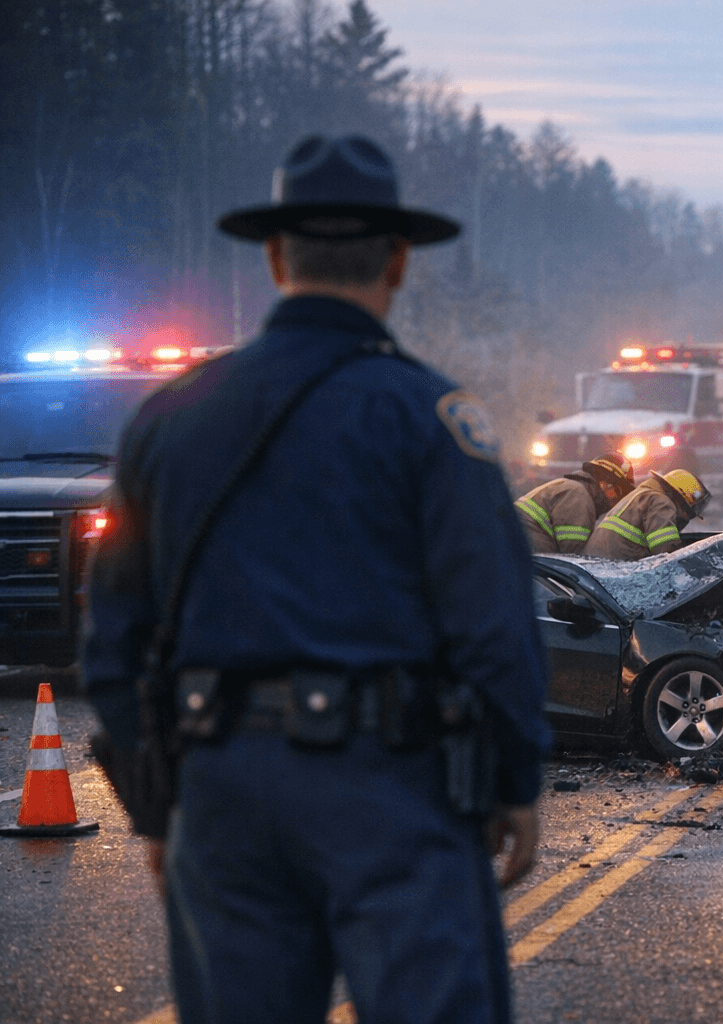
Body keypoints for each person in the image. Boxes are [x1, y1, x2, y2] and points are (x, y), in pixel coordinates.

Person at [81, 135, 552, 1023]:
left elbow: (111, 640)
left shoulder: (168, 418)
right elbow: (493, 622)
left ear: (274, 256)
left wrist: (158, 807)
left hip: (219, 789)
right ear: (398, 260)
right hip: (396, 789)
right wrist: (514, 778)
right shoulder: (429, 417)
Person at [515, 453, 635, 553]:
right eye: (619, 492)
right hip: (520, 547)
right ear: (605, 483)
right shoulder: (579, 495)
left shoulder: (572, 487)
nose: (619, 499)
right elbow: (572, 555)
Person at [584, 468, 711, 560]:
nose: (686, 517)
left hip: (597, 562)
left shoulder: (642, 495)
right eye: (688, 511)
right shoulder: (661, 502)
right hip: (613, 565)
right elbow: (665, 551)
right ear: (682, 501)